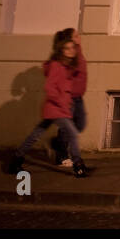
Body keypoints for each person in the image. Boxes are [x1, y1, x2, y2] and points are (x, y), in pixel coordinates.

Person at [7, 31, 90, 178]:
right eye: (68, 48)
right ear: (60, 50)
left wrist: (78, 46)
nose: (72, 50)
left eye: (73, 47)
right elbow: (50, 88)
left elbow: (80, 68)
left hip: (58, 108)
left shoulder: (67, 65)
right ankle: (78, 165)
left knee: (36, 134)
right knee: (72, 133)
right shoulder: (57, 66)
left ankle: (16, 159)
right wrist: (63, 104)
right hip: (57, 109)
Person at [49, 28, 87, 166]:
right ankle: (62, 157)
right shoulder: (68, 54)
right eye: (76, 35)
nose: (79, 37)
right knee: (67, 128)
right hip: (68, 97)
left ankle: (56, 143)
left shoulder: (78, 51)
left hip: (78, 96)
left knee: (80, 124)